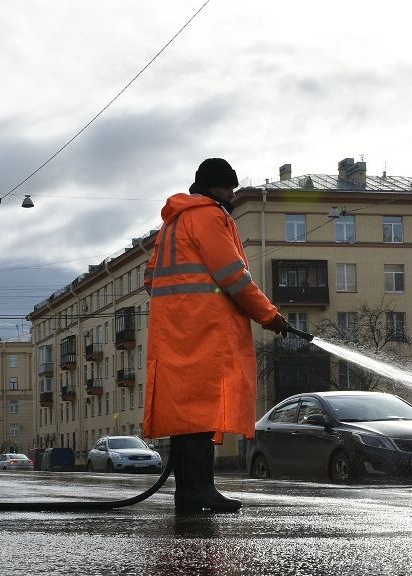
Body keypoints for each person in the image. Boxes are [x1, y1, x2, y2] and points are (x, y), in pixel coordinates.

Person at [143, 157, 290, 513]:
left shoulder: (172, 225)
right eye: (230, 187)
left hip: (176, 332)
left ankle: (192, 492)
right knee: (200, 416)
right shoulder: (209, 216)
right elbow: (233, 276)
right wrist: (269, 316)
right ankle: (199, 492)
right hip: (204, 331)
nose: (233, 195)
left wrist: (183, 304)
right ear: (219, 187)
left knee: (188, 417)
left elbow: (150, 281)